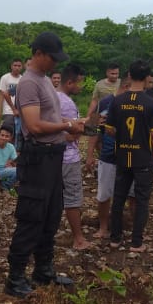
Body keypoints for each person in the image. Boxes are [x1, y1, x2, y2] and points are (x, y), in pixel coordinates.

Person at [5, 32, 83, 296]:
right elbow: (35, 126)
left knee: (51, 215)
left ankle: (43, 270)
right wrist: (66, 125)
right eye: (52, 58)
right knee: (31, 216)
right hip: (37, 159)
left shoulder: (45, 80)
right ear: (38, 53)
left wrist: (67, 133)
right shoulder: (28, 83)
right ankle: (15, 278)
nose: (55, 64)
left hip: (53, 157)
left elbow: (50, 118)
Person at [106, 61, 153, 252]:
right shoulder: (151, 103)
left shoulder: (118, 100)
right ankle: (137, 242)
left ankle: (115, 238)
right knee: (141, 199)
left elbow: (109, 129)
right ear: (148, 78)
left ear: (129, 75)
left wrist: (122, 136)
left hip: (123, 154)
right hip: (143, 157)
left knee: (119, 197)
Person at [86, 77, 129, 242]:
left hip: (129, 155)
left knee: (131, 194)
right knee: (104, 194)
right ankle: (103, 227)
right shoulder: (105, 103)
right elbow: (95, 130)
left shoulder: (136, 103)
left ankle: (132, 229)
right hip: (108, 155)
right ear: (126, 85)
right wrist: (90, 154)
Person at [57, 63, 91, 249]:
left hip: (54, 157)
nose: (81, 87)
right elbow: (71, 135)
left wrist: (80, 122)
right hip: (68, 158)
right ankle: (78, 239)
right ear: (70, 82)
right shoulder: (68, 104)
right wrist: (83, 127)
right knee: (72, 199)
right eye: (79, 83)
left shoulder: (53, 98)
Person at [0, 58, 24, 135]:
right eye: (15, 65)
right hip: (8, 110)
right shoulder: (5, 78)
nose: (17, 67)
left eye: (19, 66)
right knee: (7, 131)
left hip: (19, 111)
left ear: (22, 67)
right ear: (11, 66)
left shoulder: (23, 79)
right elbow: (1, 94)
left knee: (17, 133)